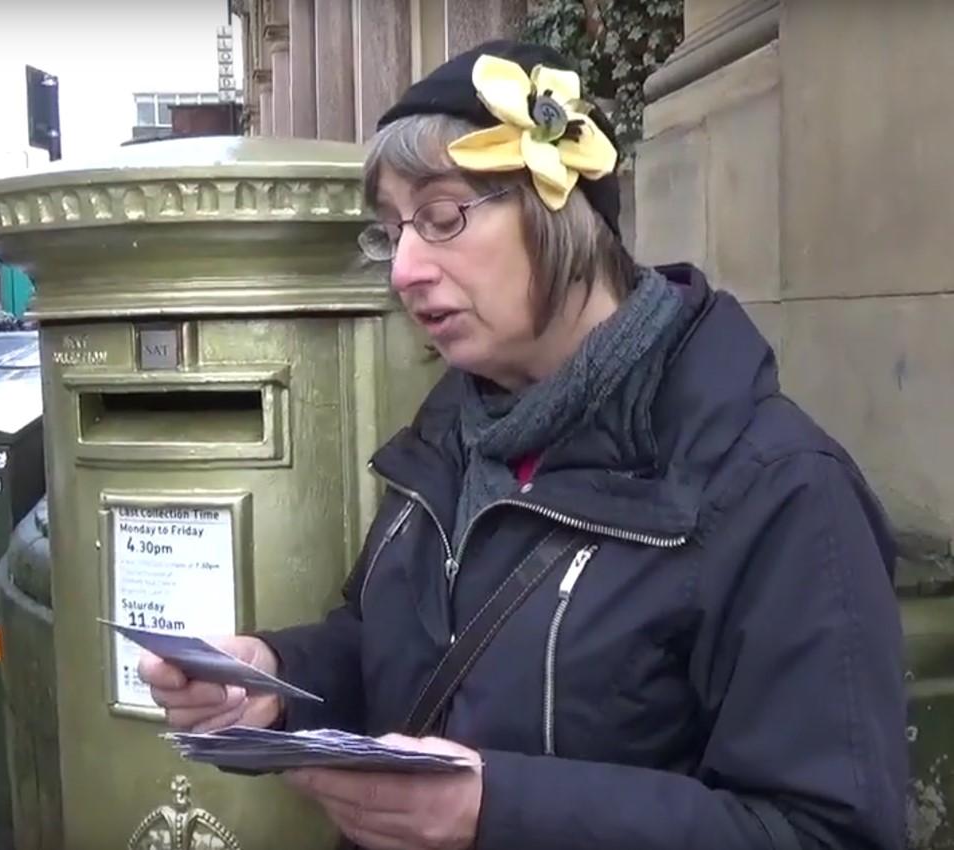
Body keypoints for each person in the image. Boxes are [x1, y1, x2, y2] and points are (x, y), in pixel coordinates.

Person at [141, 40, 907, 850]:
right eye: (390, 232)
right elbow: (391, 647)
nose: (404, 268)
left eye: (441, 218)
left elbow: (826, 831)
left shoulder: (778, 488)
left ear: (557, 209)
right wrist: (274, 680)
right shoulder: (445, 437)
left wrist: (497, 811)